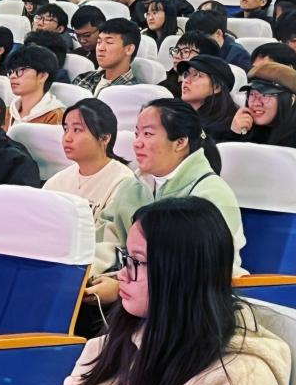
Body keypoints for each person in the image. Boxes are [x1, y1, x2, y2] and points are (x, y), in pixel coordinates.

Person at [4, 197, 292, 385]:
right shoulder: (113, 344)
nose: (121, 274)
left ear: (180, 273)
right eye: (125, 258)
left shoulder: (239, 383)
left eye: (137, 262)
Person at [95, 99, 245, 294]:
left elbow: (195, 270)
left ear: (180, 142)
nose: (137, 143)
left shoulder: (211, 194)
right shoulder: (131, 187)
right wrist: (91, 272)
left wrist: (120, 289)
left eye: (148, 134)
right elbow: (108, 241)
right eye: (136, 133)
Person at [229, 63, 296, 208]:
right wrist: (234, 135)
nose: (256, 103)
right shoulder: (247, 128)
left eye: (266, 95)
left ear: (290, 99)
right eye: (252, 94)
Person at [44, 98, 133, 219]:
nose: (67, 138)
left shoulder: (123, 183)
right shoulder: (56, 182)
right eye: (66, 129)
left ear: (105, 138)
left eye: (77, 130)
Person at [177, 55, 238, 142]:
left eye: (196, 75)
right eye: (186, 74)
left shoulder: (227, 129)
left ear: (216, 87)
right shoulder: (177, 114)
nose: (186, 80)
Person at [72, 19, 139, 95]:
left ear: (129, 49)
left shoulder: (131, 93)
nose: (100, 48)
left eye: (109, 42)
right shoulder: (84, 78)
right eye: (99, 42)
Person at [5, 44, 64, 127]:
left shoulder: (56, 117)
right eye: (11, 71)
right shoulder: (8, 112)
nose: (12, 76)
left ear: (42, 76)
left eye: (20, 70)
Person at [158, 30, 220, 98]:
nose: (176, 56)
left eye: (186, 51)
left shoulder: (210, 90)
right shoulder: (162, 87)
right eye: (176, 50)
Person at [185, 9, 252, 71]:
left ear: (218, 34)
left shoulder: (239, 56)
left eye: (200, 39)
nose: (195, 44)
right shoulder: (189, 51)